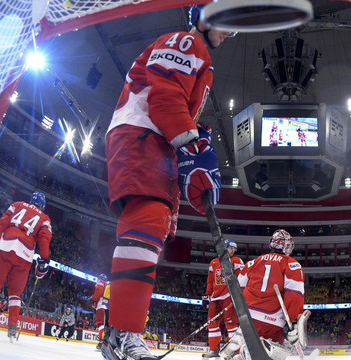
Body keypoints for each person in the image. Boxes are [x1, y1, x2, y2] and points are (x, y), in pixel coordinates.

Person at [102, 4, 234, 359]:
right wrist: (190, 142)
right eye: (227, 23)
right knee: (146, 218)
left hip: (153, 137)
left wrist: (196, 139)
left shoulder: (196, 52)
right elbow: (165, 98)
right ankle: (122, 333)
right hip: (143, 134)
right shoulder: (187, 44)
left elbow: (173, 103)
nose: (230, 32)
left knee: (153, 225)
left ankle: (120, 329)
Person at [221, 229, 307, 360]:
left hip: (247, 317)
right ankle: (247, 352)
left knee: (256, 346)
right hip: (272, 320)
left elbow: (238, 291)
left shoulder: (252, 262)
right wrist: (293, 321)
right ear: (286, 246)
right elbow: (295, 296)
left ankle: (241, 345)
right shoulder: (292, 264)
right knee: (276, 353)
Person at [0, 192, 52, 340]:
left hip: (7, 243)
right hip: (25, 253)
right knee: (15, 293)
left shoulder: (17, 204)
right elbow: (45, 238)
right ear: (42, 205)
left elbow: (3, 221)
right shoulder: (44, 218)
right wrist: (44, 260)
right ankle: (12, 326)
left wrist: (0, 240)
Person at [203, 239, 245, 358]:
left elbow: (242, 278)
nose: (232, 251)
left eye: (234, 249)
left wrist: (238, 295)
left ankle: (234, 352)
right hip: (215, 298)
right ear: (223, 248)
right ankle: (214, 350)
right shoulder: (213, 263)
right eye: (230, 248)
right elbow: (210, 281)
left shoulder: (236, 261)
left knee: (231, 324)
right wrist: (207, 295)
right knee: (212, 324)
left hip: (229, 296)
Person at [92, 273, 110, 351]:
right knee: (105, 324)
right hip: (107, 306)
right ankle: (105, 342)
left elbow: (99, 290)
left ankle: (102, 342)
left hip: (101, 305)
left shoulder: (100, 282)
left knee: (100, 323)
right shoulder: (108, 285)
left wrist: (94, 300)